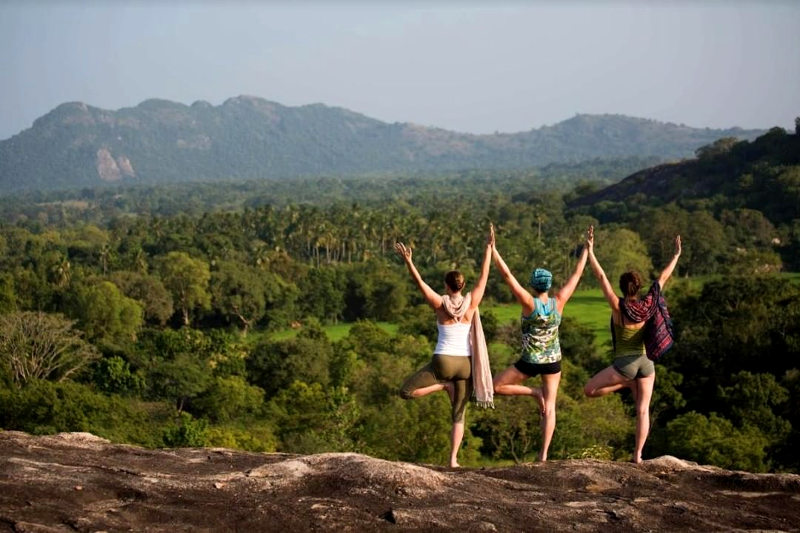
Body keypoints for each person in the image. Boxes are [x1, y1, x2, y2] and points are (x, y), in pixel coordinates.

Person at [396, 224, 495, 468]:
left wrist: (409, 261)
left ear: (447, 285)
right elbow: (484, 276)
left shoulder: (440, 304)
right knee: (459, 414)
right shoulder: (472, 302)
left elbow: (419, 282)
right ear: (462, 285)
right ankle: (453, 460)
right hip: (465, 365)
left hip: (442, 362)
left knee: (406, 392)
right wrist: (489, 248)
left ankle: (441, 386)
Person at [583, 226, 681, 463]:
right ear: (638, 287)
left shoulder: (619, 307)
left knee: (589, 391)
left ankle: (625, 384)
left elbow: (601, 277)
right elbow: (663, 278)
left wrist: (590, 251)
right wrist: (676, 255)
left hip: (624, 366)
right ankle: (638, 455)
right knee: (643, 410)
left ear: (622, 287)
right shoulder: (648, 305)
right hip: (647, 363)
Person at [490, 227, 589, 462]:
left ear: (533, 286)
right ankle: (543, 455)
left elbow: (507, 276)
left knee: (494, 387)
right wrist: (587, 249)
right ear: (549, 285)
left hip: (530, 361)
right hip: (553, 361)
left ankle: (534, 393)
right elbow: (576, 275)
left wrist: (493, 250)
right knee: (550, 407)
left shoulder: (529, 303)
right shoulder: (559, 301)